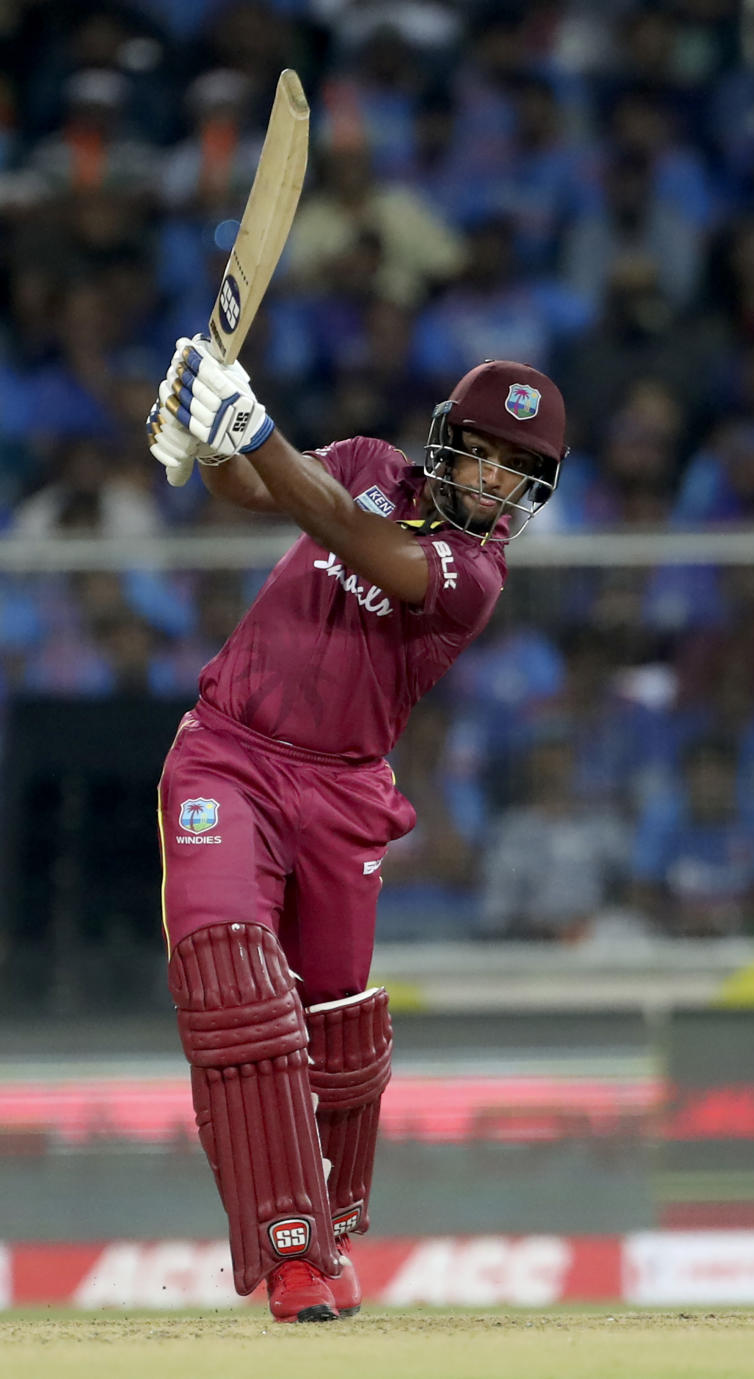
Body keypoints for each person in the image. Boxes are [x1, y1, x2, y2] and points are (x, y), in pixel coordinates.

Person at [145, 336, 566, 1323]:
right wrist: (203, 439)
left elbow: (346, 533)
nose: (495, 479)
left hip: (342, 792)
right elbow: (261, 492)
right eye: (482, 452)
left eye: (518, 469)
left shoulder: (475, 573)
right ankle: (290, 1255)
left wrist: (250, 423)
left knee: (334, 1027)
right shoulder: (373, 461)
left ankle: (329, 1233)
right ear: (444, 443)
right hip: (227, 754)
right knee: (233, 979)